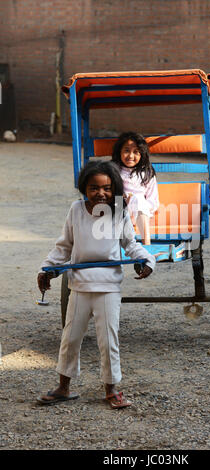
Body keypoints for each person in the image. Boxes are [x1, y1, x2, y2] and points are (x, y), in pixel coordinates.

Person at [36, 160, 155, 408]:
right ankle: (63, 387)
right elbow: (64, 246)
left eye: (107, 188)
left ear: (115, 190)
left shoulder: (119, 212)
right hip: (79, 287)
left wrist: (145, 260)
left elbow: (131, 244)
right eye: (94, 187)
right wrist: (47, 268)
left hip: (108, 287)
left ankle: (111, 391)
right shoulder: (76, 210)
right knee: (70, 338)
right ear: (84, 188)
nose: (101, 193)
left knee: (108, 340)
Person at [112, 131, 159, 245]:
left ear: (142, 154)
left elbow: (153, 201)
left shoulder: (146, 173)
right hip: (119, 210)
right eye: (126, 151)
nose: (131, 156)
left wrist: (136, 203)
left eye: (136, 152)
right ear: (120, 152)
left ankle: (146, 244)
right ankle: (116, 247)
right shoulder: (114, 170)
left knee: (138, 200)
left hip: (141, 213)